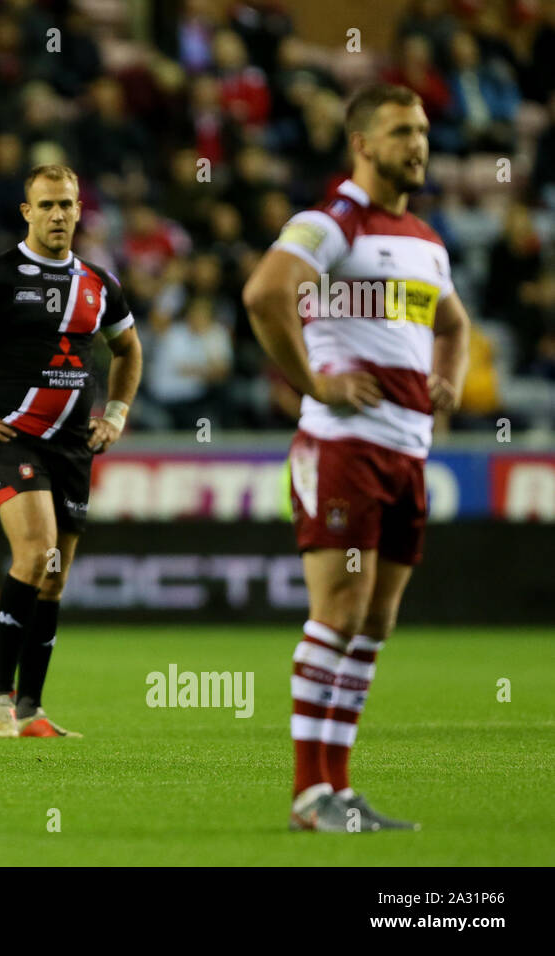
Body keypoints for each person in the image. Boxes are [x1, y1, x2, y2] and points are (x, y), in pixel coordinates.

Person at [242, 84, 470, 831]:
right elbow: (266, 293)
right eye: (403, 130)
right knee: (338, 612)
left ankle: (338, 791)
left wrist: (451, 377)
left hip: (407, 452)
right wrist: (315, 382)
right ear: (363, 144)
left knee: (375, 622)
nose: (419, 144)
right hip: (344, 447)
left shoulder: (427, 242)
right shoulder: (331, 223)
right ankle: (310, 794)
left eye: (424, 130)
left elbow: (453, 322)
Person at [0, 163, 143, 739]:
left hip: (73, 446)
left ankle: (32, 710)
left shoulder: (98, 284)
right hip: (13, 439)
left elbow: (129, 350)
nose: (59, 215)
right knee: (37, 555)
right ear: (27, 212)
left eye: (67, 204)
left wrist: (115, 414)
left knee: (56, 577)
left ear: (79, 209)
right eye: (46, 205)